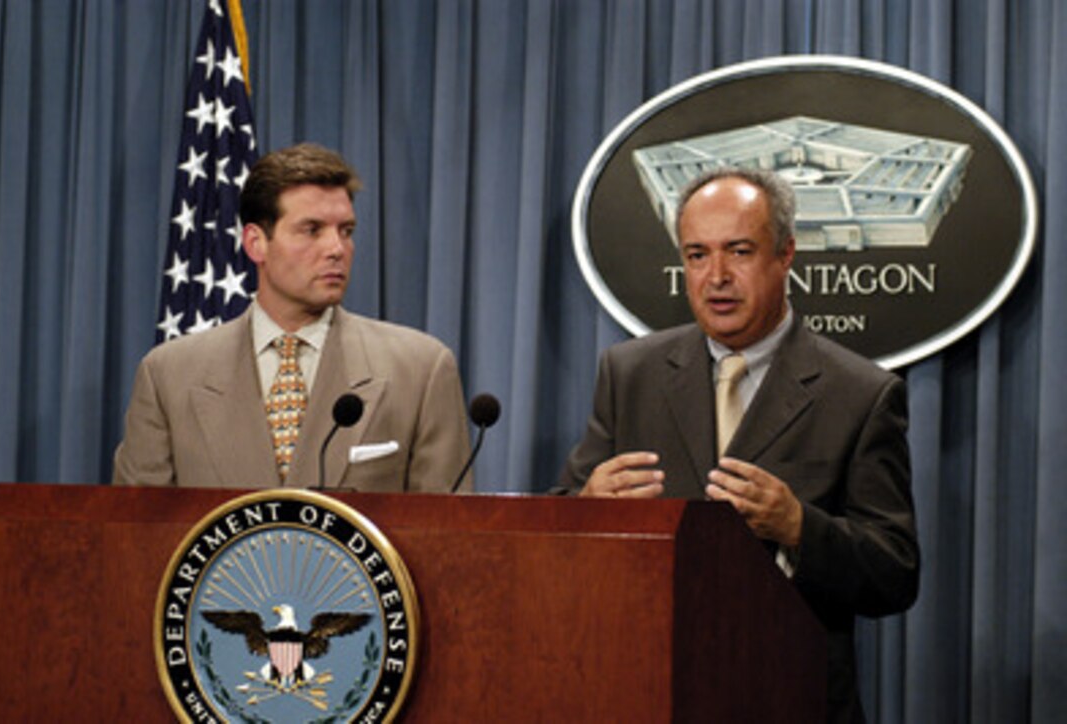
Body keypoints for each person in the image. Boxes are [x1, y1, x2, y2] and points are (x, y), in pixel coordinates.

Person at [556, 167, 919, 722]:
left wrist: (800, 527)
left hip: (786, 698)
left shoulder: (861, 394)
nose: (716, 276)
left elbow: (894, 573)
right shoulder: (631, 373)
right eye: (697, 255)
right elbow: (558, 528)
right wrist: (583, 512)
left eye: (739, 251)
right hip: (643, 693)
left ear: (786, 255)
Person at [114, 143, 471, 491]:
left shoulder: (421, 370)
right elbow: (138, 538)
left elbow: (446, 541)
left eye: (346, 231)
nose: (336, 249)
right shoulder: (169, 377)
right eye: (312, 230)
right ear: (256, 243)